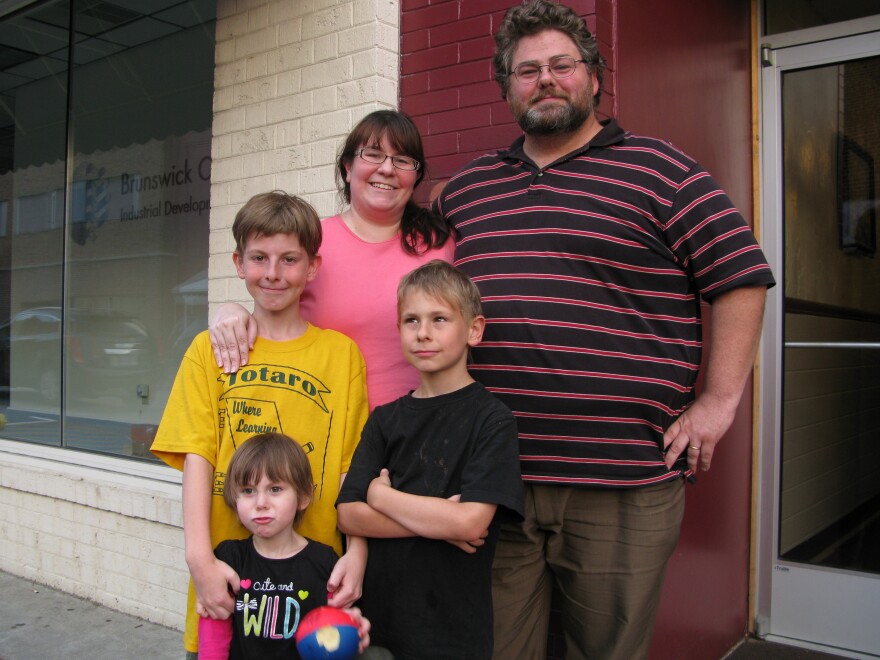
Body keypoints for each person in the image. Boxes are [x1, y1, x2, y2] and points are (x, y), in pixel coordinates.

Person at [434, 1, 776, 659]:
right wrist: (252, 308)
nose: (546, 80)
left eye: (562, 65)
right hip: (494, 479)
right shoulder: (465, 193)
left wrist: (718, 401)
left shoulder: (662, 172)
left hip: (624, 481)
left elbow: (740, 276)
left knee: (606, 652)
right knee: (497, 647)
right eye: (527, 70)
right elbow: (385, 281)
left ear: (595, 76)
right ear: (506, 87)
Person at [151, 191, 370, 657]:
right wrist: (200, 561)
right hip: (228, 583)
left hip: (314, 587)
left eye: (289, 259)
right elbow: (198, 456)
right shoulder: (208, 350)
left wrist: (357, 553)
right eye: (259, 258)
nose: (273, 273)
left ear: (312, 267)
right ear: (238, 262)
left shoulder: (341, 354)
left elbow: (354, 468)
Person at [336, 260, 524, 659]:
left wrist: (382, 498)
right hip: (380, 621)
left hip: (453, 630)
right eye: (411, 320)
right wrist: (440, 522)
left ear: (473, 329)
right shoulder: (384, 419)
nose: (423, 333)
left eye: (439, 319)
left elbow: (470, 522)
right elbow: (349, 515)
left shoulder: (493, 420)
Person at [209, 110, 455, 410]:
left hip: (415, 432)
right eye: (374, 155)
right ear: (348, 167)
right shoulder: (311, 244)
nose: (387, 169)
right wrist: (231, 311)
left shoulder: (440, 246)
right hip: (319, 426)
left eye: (402, 160)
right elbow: (272, 308)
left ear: (415, 176)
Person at [197, 432, 372, 659]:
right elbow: (213, 636)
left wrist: (352, 627)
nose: (261, 503)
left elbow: (337, 635)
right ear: (234, 498)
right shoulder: (228, 559)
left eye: (275, 489)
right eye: (248, 491)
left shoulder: (324, 562)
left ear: (303, 496)